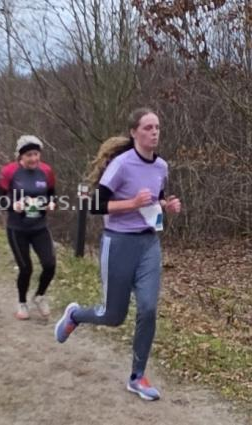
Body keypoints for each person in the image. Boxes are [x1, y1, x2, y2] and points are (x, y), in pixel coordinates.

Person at [54, 108, 182, 401]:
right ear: (134, 132)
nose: (154, 132)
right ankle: (75, 315)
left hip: (148, 244)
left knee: (148, 309)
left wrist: (168, 206)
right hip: (119, 243)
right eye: (148, 127)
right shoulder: (121, 165)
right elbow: (96, 206)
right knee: (113, 316)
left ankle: (137, 377)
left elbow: (156, 200)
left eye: (157, 127)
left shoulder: (161, 166)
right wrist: (132, 203)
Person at [0, 135, 57, 320]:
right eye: (29, 155)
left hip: (39, 227)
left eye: (36, 154)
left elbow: (52, 194)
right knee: (26, 268)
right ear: (20, 156)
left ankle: (39, 296)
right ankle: (22, 303)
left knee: (50, 265)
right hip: (17, 229)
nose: (34, 158)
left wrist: (51, 203)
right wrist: (12, 205)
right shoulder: (9, 172)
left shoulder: (46, 171)